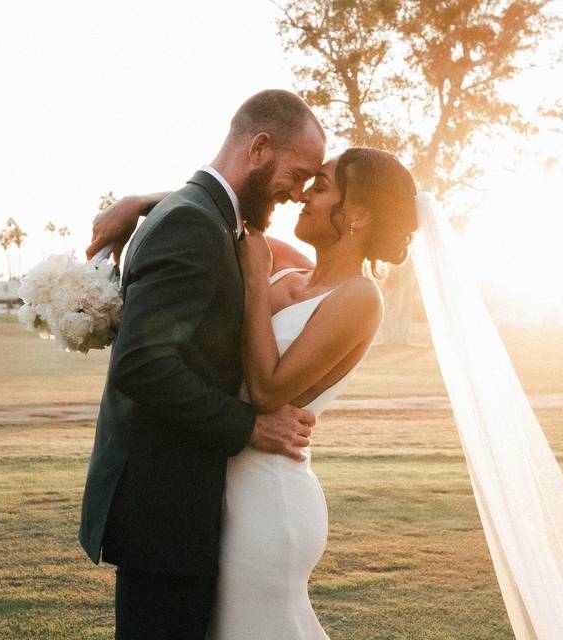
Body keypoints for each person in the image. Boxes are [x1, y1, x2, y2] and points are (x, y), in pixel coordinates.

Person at [90, 147, 419, 639]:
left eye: (323, 186)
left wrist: (251, 279)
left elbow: (267, 390)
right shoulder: (287, 265)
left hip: (270, 497)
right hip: (223, 482)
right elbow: (213, 208)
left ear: (358, 215)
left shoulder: (358, 297)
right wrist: (138, 202)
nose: (304, 195)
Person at [78, 89, 326, 640]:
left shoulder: (207, 217)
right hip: (164, 507)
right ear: (260, 147)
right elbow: (142, 364)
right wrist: (251, 426)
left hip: (176, 503)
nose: (299, 192)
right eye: (299, 172)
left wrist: (141, 198)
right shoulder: (193, 224)